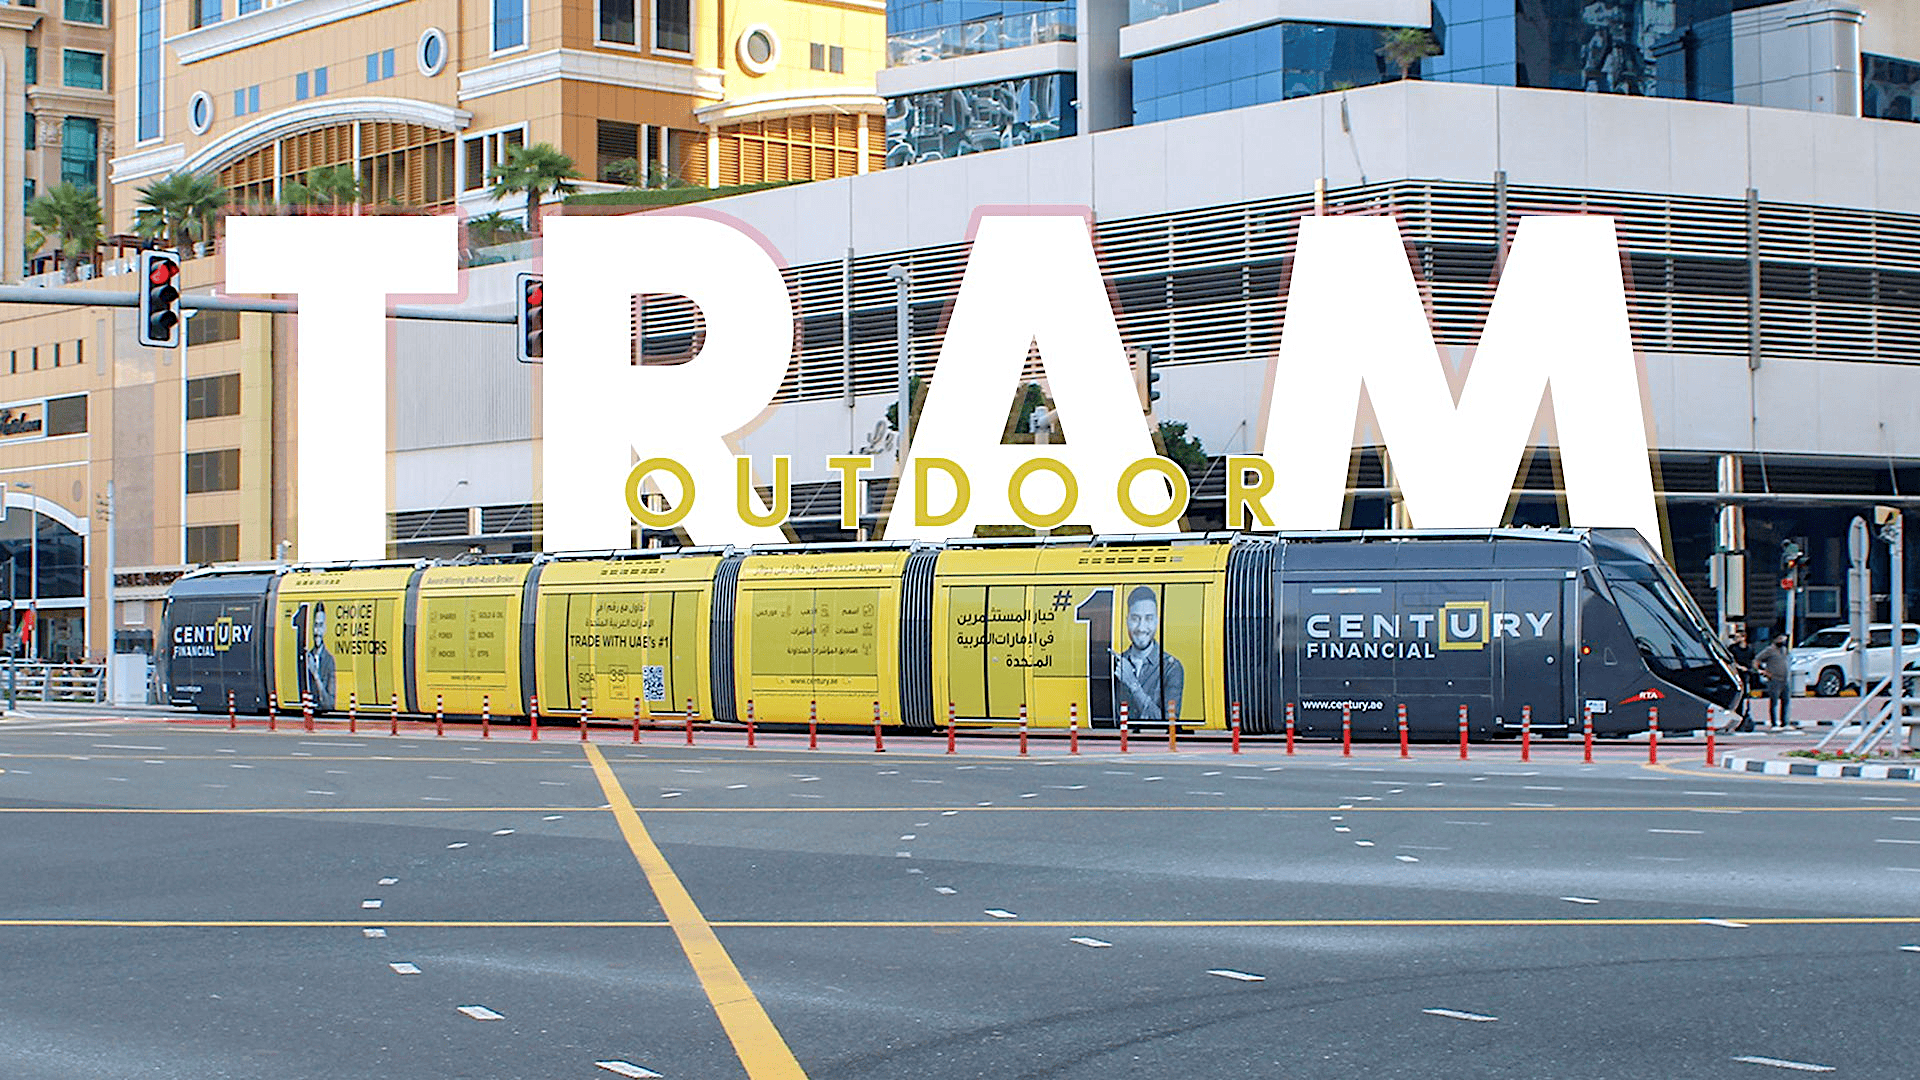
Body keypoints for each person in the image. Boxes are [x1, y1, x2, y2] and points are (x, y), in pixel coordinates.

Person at [1112, 585, 1184, 723]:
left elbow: (1168, 721)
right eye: (1135, 618)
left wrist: (1132, 683)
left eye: (1148, 618)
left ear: (1157, 620)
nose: (1141, 627)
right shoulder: (1115, 665)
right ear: (1126, 620)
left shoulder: (1172, 668)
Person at [1754, 632, 1791, 730]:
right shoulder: (1769, 650)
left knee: (1786, 701)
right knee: (1774, 702)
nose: (1782, 641)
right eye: (1780, 639)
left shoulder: (1784, 650)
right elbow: (1756, 660)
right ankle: (1774, 723)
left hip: (1785, 679)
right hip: (1774, 679)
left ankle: (1785, 722)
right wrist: (1762, 671)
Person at [305, 601, 338, 712]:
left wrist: (316, 676)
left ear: (325, 628)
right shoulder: (306, 657)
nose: (317, 631)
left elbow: (329, 703)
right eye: (315, 625)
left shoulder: (329, 661)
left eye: (320, 625)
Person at [1726, 625, 1755, 731]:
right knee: (1737, 698)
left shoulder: (1750, 648)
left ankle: (1743, 721)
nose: (1735, 639)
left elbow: (1753, 660)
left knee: (1745, 698)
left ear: (1744, 637)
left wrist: (1753, 669)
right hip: (1736, 675)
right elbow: (1730, 661)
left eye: (1738, 637)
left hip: (1746, 675)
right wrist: (1739, 667)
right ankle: (1735, 720)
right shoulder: (1733, 648)